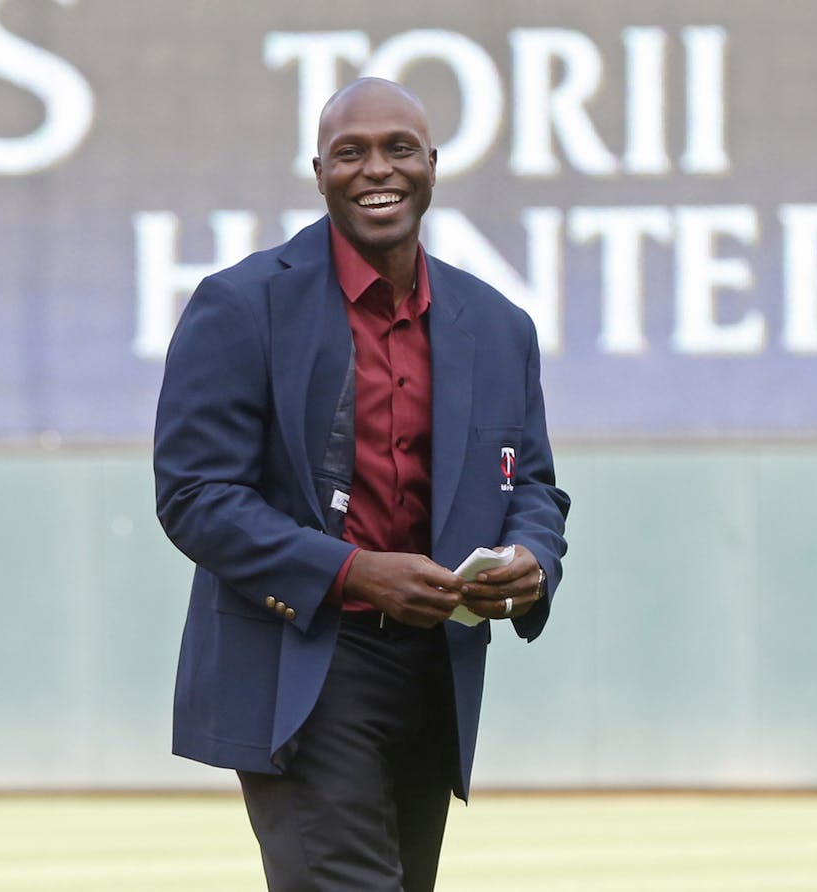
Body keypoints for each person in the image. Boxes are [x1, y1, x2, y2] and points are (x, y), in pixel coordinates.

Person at [154, 77, 570, 892]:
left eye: (398, 149)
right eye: (351, 152)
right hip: (302, 667)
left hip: (434, 668)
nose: (376, 168)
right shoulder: (240, 305)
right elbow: (195, 495)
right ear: (319, 171)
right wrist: (353, 571)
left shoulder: (496, 325)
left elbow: (535, 488)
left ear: (432, 166)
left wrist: (531, 558)